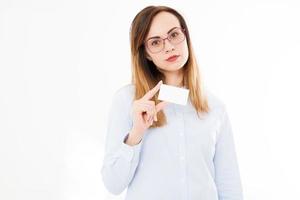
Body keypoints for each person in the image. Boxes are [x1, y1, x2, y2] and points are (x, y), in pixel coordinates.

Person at [101, 5, 243, 200]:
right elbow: (113, 184)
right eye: (156, 42)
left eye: (174, 35)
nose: (169, 46)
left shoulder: (215, 107)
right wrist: (136, 133)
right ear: (146, 53)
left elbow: (229, 184)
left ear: (185, 36)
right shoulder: (128, 101)